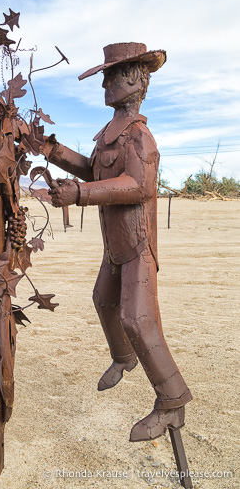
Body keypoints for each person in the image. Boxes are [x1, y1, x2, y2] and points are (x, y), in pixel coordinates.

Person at [41, 43, 192, 441]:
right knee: (104, 300)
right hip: (115, 245)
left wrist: (80, 194)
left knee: (138, 320)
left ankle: (172, 402)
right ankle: (124, 359)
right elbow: (90, 169)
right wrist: (49, 149)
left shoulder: (141, 138)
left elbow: (136, 187)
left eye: (111, 75)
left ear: (136, 79)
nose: (104, 83)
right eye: (105, 76)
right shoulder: (109, 137)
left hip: (137, 244)